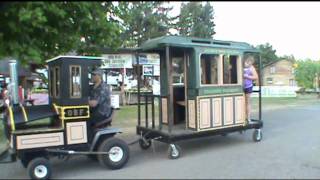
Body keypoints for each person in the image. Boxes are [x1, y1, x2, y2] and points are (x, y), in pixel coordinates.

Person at [243, 56, 258, 124]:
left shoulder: (252, 68)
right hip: (241, 86)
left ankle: (248, 118)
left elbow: (256, 77)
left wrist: (247, 76)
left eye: (250, 63)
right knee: (242, 102)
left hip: (248, 86)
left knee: (247, 102)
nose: (248, 64)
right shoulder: (242, 66)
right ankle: (243, 117)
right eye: (247, 62)